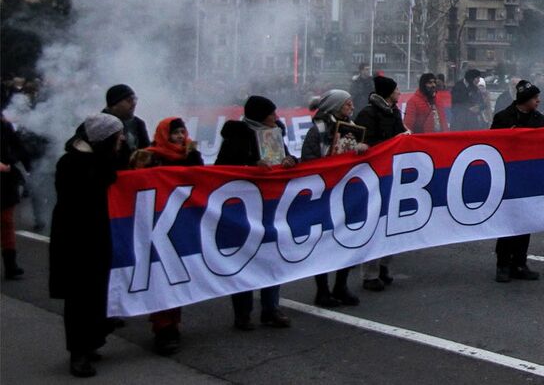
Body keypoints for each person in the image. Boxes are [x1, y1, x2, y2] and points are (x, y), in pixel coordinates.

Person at [50, 113, 124, 378]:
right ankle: (78, 353)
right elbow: (85, 195)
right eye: (117, 136)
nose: (122, 140)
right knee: (80, 298)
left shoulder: (97, 160)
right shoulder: (72, 163)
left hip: (96, 237)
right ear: (104, 139)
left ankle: (91, 341)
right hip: (76, 240)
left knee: (97, 293)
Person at [215, 95, 295, 331]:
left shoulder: (274, 134)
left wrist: (290, 160)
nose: (276, 118)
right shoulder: (236, 136)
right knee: (244, 258)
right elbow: (222, 169)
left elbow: (284, 158)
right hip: (245, 206)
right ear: (261, 115)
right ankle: (243, 313)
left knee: (272, 257)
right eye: (272, 114)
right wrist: (251, 167)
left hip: (271, 203)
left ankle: (271, 309)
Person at [129, 118, 204, 356]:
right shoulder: (147, 157)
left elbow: (202, 182)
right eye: (175, 134)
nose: (181, 137)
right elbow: (134, 186)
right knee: (159, 276)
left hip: (180, 222)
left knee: (176, 275)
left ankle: (173, 324)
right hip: (154, 224)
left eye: (183, 132)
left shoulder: (190, 154)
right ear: (164, 135)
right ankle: (162, 328)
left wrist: (194, 161)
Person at [302, 89, 368, 307]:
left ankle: (341, 285)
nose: (351, 107)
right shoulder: (318, 130)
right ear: (336, 106)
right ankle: (322, 290)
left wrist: (359, 151)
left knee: (347, 239)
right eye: (347, 104)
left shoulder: (352, 127)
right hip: (324, 190)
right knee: (323, 242)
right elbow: (308, 160)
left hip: (345, 189)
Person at [492, 80, 544, 281]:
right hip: (508, 176)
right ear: (525, 100)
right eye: (535, 98)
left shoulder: (539, 119)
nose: (538, 101)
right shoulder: (503, 118)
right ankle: (503, 265)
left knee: (525, 222)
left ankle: (520, 263)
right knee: (508, 222)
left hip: (529, 176)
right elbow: (492, 146)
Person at [355, 75, 406, 292]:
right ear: (387, 93)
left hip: (392, 171)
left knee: (392, 222)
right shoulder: (368, 113)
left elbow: (398, 133)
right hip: (375, 173)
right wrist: (389, 145)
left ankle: (385, 265)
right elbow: (366, 141)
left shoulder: (394, 112)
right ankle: (370, 273)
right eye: (396, 90)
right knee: (376, 223)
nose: (399, 93)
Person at [1, 111, 31, 280]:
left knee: (6, 222)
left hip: (5, 180)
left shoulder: (5, 126)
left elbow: (19, 147)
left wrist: (22, 165)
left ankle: (10, 265)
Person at [102, 83, 150, 161]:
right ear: (114, 105)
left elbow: (146, 150)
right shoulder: (99, 125)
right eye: (129, 100)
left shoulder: (138, 124)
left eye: (134, 99)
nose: (134, 104)